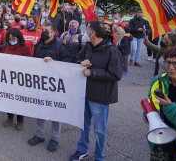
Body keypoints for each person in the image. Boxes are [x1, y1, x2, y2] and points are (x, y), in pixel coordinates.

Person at [70, 21, 123, 161]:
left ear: (92, 32)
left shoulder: (111, 50)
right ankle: (82, 150)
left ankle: (99, 156)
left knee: (99, 130)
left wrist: (92, 73)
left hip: (100, 96)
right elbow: (76, 60)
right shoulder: (87, 46)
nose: (85, 31)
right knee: (84, 125)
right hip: (84, 93)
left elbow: (116, 74)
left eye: (87, 29)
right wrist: (81, 63)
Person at [28, 23, 71, 152]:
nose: (43, 32)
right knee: (40, 108)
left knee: (55, 112)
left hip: (54, 85)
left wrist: (54, 62)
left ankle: (55, 138)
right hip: (41, 83)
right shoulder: (39, 43)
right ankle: (39, 134)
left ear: (53, 33)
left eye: (46, 31)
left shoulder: (60, 46)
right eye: (43, 30)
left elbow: (68, 63)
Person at [147, 46, 176, 160]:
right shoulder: (158, 81)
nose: (171, 67)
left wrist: (169, 107)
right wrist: (148, 115)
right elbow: (151, 104)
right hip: (160, 144)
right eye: (168, 62)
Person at [1, 28, 31, 130]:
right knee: (8, 99)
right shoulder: (6, 46)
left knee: (19, 101)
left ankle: (20, 121)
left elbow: (29, 64)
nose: (11, 40)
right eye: (9, 39)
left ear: (18, 37)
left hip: (19, 79)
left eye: (13, 38)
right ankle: (10, 118)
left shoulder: (25, 48)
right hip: (8, 78)